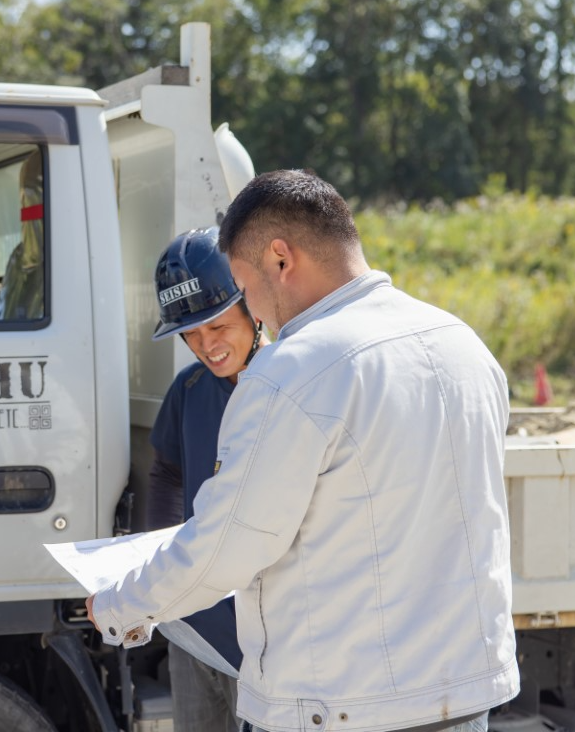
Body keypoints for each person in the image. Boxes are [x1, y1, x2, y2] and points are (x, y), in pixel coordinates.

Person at [89, 170, 519, 732]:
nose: (256, 314)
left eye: (245, 289)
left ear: (280, 259)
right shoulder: (464, 345)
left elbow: (230, 544)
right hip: (461, 697)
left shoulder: (292, 372)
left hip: (341, 705)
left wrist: (119, 606)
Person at [146, 227, 263, 731]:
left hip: (267, 636)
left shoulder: (289, 388)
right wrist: (156, 557)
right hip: (194, 625)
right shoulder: (189, 389)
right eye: (191, 335)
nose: (206, 346)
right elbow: (167, 471)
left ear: (251, 304)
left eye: (217, 327)